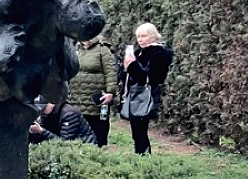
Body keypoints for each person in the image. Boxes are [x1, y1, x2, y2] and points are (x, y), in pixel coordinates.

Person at [122, 23, 173, 155]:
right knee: (136, 132)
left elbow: (151, 77)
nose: (140, 39)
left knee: (140, 131)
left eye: (143, 36)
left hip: (146, 95)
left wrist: (132, 65)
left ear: (153, 36)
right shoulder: (139, 53)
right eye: (138, 36)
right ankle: (140, 158)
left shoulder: (158, 54)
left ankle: (144, 160)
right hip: (134, 95)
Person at [67, 35, 118, 147]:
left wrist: (111, 92)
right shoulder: (74, 48)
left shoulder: (103, 50)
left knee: (97, 130)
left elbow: (111, 72)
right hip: (76, 99)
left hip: (95, 100)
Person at [29, 96, 98, 145]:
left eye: (43, 109)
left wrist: (41, 131)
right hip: (70, 148)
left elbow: (64, 142)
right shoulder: (47, 114)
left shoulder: (69, 114)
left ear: (52, 103)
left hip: (83, 147)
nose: (41, 112)